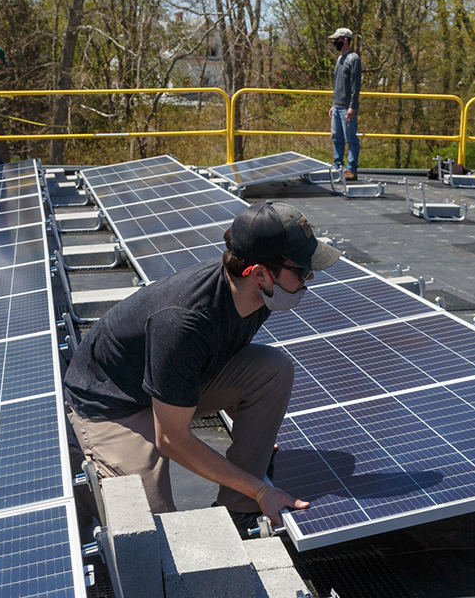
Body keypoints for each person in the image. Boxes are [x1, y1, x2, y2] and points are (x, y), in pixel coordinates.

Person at [64, 201, 341, 535]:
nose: (309, 279)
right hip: (112, 403)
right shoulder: (184, 322)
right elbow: (172, 439)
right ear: (260, 273)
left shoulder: (256, 296)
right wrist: (261, 488)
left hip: (164, 380)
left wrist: (255, 433)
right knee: (153, 534)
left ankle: (238, 509)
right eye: (302, 270)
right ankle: (91, 457)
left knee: (273, 369)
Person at [328, 28, 362, 182]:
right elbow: (338, 84)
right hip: (337, 106)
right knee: (336, 138)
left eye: (337, 39)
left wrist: (352, 106)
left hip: (347, 107)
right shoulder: (339, 59)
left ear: (345, 40)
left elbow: (356, 85)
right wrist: (333, 104)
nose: (335, 42)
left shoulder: (353, 59)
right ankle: (338, 165)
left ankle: (351, 169)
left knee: (351, 139)